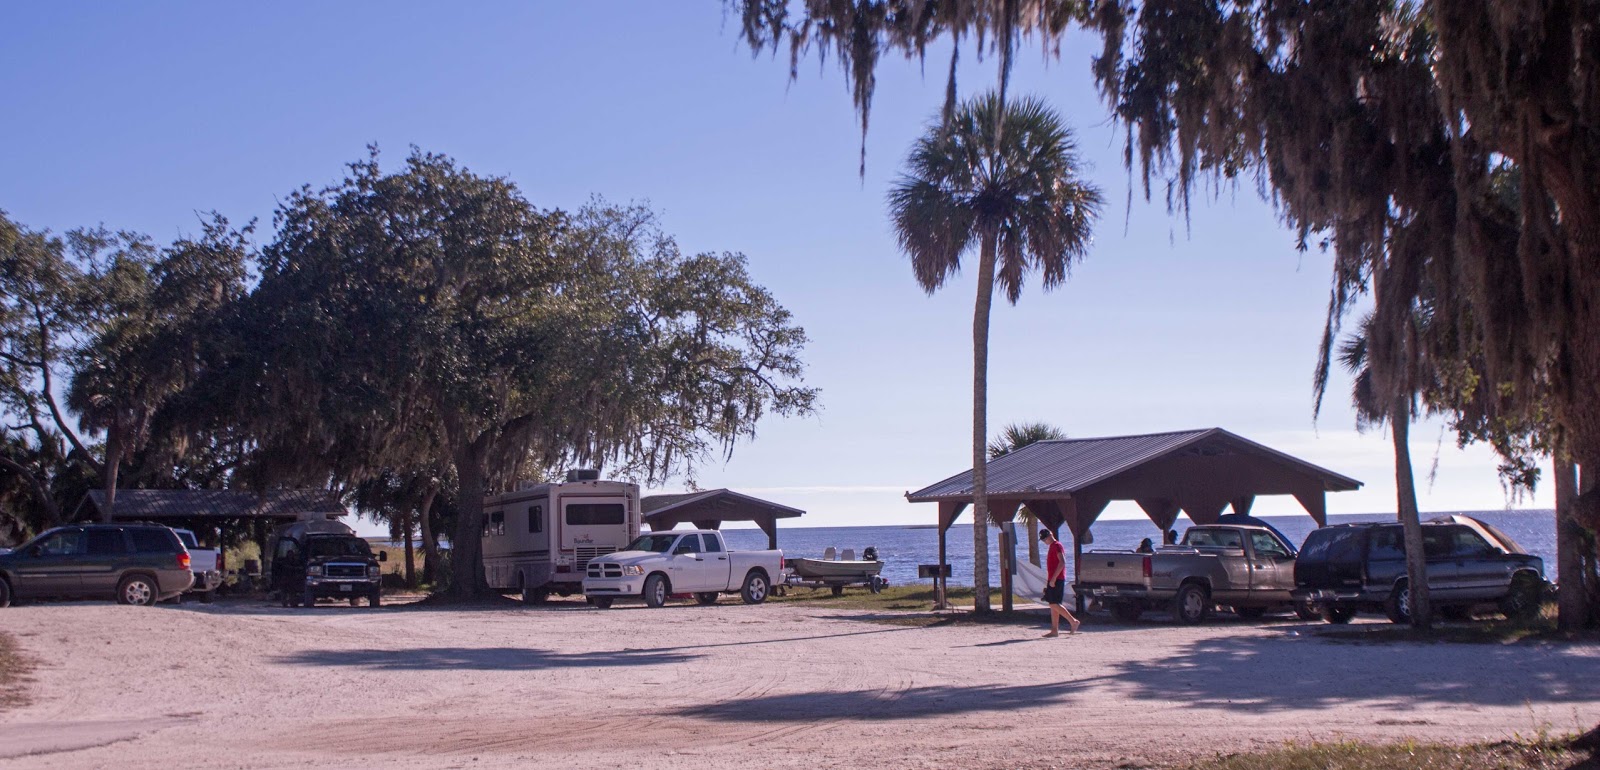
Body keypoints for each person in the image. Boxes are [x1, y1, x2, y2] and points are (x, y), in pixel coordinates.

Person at [1039, 529, 1081, 637]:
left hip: (1057, 579)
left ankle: (1073, 621)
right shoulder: (1052, 546)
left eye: (1045, 538)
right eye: (1043, 539)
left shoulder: (1057, 545)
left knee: (1054, 603)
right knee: (1053, 604)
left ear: (1050, 535)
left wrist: (1053, 579)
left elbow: (1062, 562)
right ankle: (1054, 630)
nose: (1044, 541)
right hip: (1053, 578)